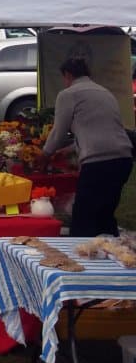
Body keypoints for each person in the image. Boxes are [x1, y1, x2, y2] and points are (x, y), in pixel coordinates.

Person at [40, 57, 133, 237]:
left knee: (83, 217)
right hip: (123, 159)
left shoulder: (68, 94)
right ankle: (110, 250)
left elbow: (59, 132)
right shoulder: (105, 92)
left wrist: (45, 154)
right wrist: (67, 151)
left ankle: (80, 251)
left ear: (68, 75)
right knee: (105, 214)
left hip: (98, 163)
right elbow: (98, 130)